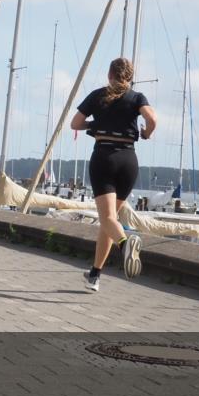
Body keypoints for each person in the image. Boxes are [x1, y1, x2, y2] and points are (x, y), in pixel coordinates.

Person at [70, 57, 157, 292]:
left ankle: (126, 243)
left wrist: (95, 125)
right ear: (129, 78)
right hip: (129, 161)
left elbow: (75, 123)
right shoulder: (137, 97)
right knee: (110, 221)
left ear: (109, 75)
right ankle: (94, 275)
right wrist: (146, 134)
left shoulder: (98, 95)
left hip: (104, 158)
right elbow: (152, 119)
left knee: (107, 219)